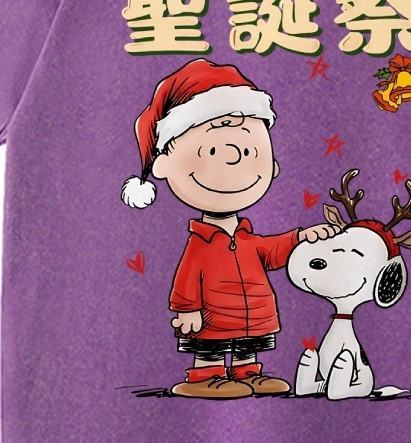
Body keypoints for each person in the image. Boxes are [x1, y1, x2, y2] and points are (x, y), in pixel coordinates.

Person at [122, 59, 338, 398]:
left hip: (254, 315)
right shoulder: (201, 243)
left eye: (250, 150)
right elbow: (187, 277)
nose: (235, 160)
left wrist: (300, 238)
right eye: (211, 150)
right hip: (212, 318)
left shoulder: (247, 238)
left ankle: (247, 373)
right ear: (164, 163)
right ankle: (203, 377)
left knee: (249, 346)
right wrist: (187, 309)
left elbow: (270, 252)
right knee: (210, 348)